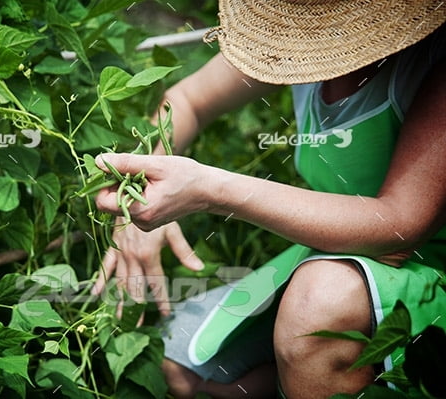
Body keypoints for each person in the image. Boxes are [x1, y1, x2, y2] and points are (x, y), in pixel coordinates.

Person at [93, 1, 446, 398]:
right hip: (336, 251)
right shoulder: (297, 46)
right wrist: (137, 195)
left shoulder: (431, 63)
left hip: (422, 268)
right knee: (172, 358)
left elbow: (400, 227)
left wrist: (212, 190)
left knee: (320, 302)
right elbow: (187, 101)